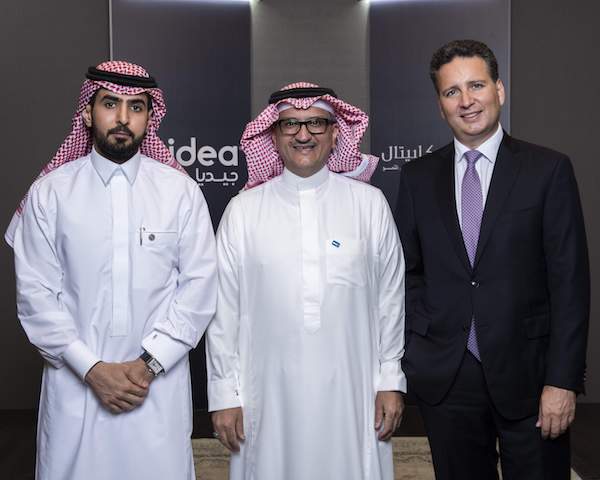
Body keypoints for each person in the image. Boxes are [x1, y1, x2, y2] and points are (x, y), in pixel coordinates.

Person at [6, 61, 217, 480]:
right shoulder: (51, 193)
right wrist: (92, 369)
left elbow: (199, 290)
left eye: (136, 107)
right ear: (88, 113)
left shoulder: (180, 192)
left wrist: (148, 365)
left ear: (149, 117)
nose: (122, 118)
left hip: (155, 390)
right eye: (110, 104)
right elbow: (35, 297)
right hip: (75, 388)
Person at [396, 40, 590, 479]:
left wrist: (562, 380)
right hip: (448, 378)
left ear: (499, 90)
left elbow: (570, 284)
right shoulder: (417, 177)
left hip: (531, 377)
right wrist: (420, 348)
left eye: (477, 85)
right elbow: (409, 274)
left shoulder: (548, 169)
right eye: (452, 91)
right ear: (440, 104)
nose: (466, 101)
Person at [206, 82, 406, 480]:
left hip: (354, 390)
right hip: (265, 393)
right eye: (290, 124)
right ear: (273, 135)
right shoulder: (243, 211)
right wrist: (224, 393)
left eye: (316, 123)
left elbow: (391, 300)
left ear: (335, 133)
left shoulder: (369, 205)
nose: (303, 134)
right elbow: (222, 312)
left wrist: (390, 380)